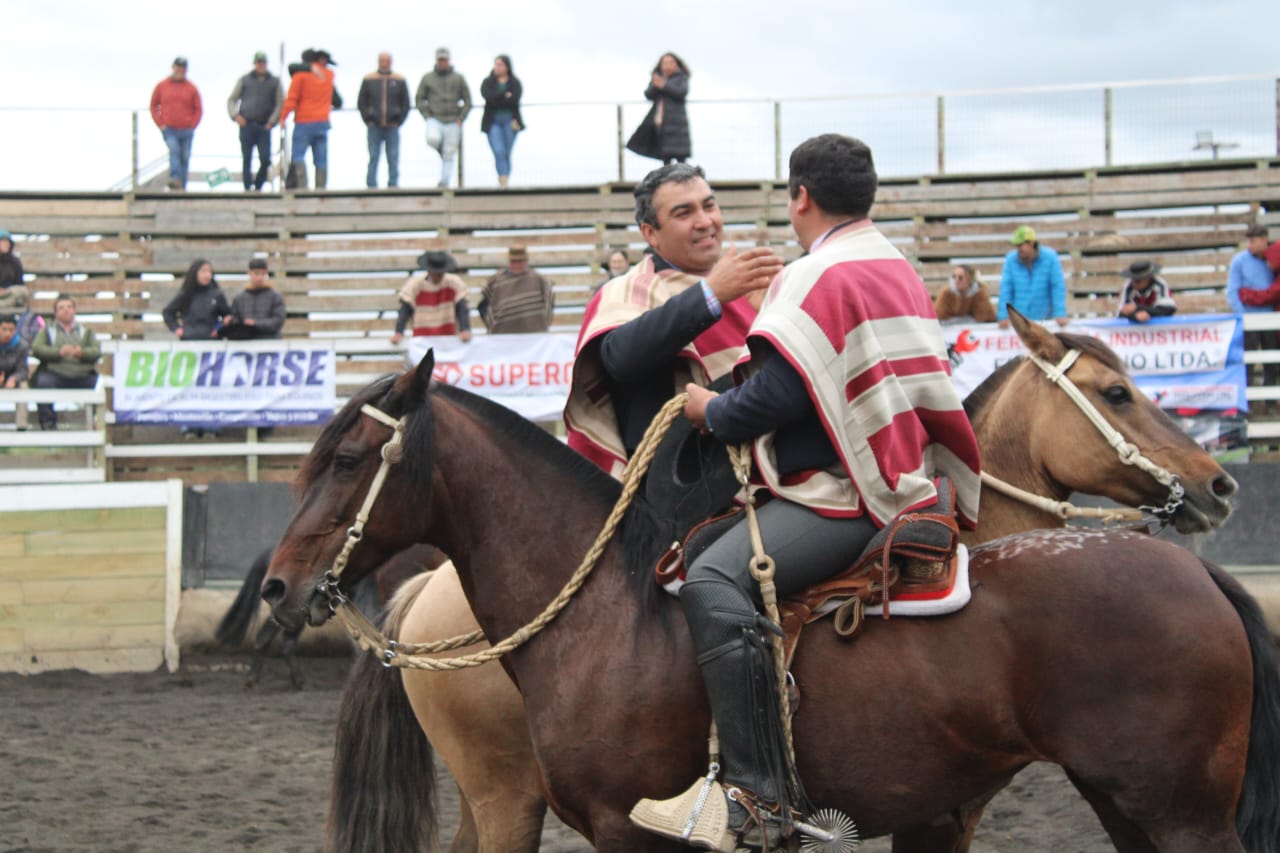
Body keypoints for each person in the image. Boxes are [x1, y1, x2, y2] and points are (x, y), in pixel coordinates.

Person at [636, 134, 982, 850]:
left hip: (848, 494)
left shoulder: (815, 272)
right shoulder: (893, 261)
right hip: (908, 475)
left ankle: (757, 799)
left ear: (800, 197)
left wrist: (711, 411)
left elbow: (779, 396)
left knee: (712, 578)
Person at [564, 163, 782, 476]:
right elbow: (619, 357)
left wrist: (771, 314)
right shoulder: (628, 290)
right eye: (684, 213)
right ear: (650, 233)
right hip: (686, 490)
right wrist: (711, 294)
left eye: (709, 206)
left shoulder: (748, 282)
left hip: (769, 466)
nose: (705, 221)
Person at [30, 294, 101, 431]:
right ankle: (48, 424)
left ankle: (94, 423)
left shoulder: (86, 331)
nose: (66, 310)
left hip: (82, 375)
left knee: (99, 385)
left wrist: (82, 353)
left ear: (74, 310)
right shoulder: (47, 331)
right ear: (56, 313)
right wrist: (58, 352)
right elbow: (37, 349)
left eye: (69, 307)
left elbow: (96, 351)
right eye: (61, 308)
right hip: (55, 374)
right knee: (43, 383)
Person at [282, 48, 340, 190]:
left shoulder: (300, 76)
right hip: (323, 122)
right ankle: (321, 188)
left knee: (298, 155)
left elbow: (292, 99)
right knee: (321, 158)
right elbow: (337, 101)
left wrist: (283, 117)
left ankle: (303, 187)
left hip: (304, 121)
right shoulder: (328, 76)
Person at [227, 51, 284, 192]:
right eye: (259, 62)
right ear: (255, 63)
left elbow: (280, 103)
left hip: (264, 126)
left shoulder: (274, 81)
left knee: (265, 159)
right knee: (247, 158)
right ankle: (247, 188)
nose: (261, 65)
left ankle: (258, 185)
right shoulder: (245, 80)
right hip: (246, 124)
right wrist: (235, 116)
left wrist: (272, 121)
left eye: (263, 62)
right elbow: (232, 99)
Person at [416, 47, 472, 188]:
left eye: (444, 59)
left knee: (449, 153)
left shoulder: (458, 77)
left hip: (453, 120)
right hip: (434, 118)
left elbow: (468, 100)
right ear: (436, 60)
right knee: (432, 139)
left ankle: (444, 182)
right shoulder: (427, 78)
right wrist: (427, 115)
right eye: (440, 60)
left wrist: (461, 117)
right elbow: (419, 98)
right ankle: (445, 151)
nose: (442, 62)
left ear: (449, 60)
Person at [390, 251, 472, 344]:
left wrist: (465, 329)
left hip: (449, 336)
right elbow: (405, 310)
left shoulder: (455, 283)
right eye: (436, 273)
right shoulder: (415, 285)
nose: (438, 276)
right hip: (422, 337)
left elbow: (462, 308)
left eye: (441, 273)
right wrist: (399, 332)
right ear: (429, 271)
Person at [625, 53, 691, 165]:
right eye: (665, 63)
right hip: (661, 122)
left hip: (678, 123)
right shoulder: (658, 77)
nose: (667, 65)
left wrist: (664, 85)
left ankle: (683, 180)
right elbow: (648, 95)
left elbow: (681, 92)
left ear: (677, 65)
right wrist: (656, 85)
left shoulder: (681, 77)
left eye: (671, 62)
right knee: (665, 156)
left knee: (681, 158)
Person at [997, 225, 1069, 328]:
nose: (1018, 249)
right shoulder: (1011, 260)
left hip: (1045, 320)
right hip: (1020, 322)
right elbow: (1006, 289)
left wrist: (1060, 313)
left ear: (1031, 243)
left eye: (1020, 245)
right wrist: (1003, 315)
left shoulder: (1050, 257)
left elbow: (1057, 286)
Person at [357, 52, 411, 189]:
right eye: (382, 60)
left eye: (387, 60)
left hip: (392, 125)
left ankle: (393, 184)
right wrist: (367, 119)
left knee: (393, 156)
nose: (385, 63)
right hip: (373, 125)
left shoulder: (399, 79)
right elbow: (361, 102)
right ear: (378, 62)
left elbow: (405, 103)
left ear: (391, 62)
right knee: (373, 156)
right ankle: (371, 184)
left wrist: (399, 120)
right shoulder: (369, 79)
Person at [150, 57, 203, 190]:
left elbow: (198, 108)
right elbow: (153, 105)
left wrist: (193, 125)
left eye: (183, 67)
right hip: (169, 129)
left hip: (186, 129)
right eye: (178, 66)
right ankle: (174, 179)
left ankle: (182, 187)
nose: (180, 70)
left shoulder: (191, 88)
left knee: (184, 157)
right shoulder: (162, 86)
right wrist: (160, 124)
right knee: (174, 151)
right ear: (173, 67)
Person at [477, 246, 554, 333]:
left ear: (526, 261)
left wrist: (544, 324)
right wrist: (491, 326)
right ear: (509, 262)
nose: (517, 265)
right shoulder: (496, 281)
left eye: (520, 261)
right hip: (502, 337)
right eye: (513, 261)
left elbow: (549, 303)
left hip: (535, 337)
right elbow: (483, 306)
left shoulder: (539, 280)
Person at [479, 54, 523, 188]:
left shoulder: (514, 83)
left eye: (500, 64)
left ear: (507, 66)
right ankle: (503, 178)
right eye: (495, 64)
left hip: (510, 121)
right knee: (498, 150)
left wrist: (497, 98)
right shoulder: (488, 82)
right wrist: (504, 95)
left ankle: (505, 177)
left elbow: (514, 99)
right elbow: (488, 96)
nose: (497, 67)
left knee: (507, 151)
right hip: (493, 121)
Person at [163, 259, 231, 340]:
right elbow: (168, 312)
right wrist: (177, 329)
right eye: (203, 271)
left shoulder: (217, 295)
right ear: (195, 273)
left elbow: (228, 315)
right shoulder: (185, 295)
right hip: (188, 341)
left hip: (212, 341)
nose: (207, 275)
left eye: (210, 272)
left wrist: (219, 329)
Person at [220, 259, 286, 339]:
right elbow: (236, 321)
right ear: (249, 273)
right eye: (256, 273)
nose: (260, 277)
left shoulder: (275, 297)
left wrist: (255, 324)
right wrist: (230, 322)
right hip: (247, 345)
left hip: (270, 343)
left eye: (263, 274)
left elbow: (278, 321)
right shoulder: (239, 299)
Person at [1118, 259, 1176, 323]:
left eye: (1138, 281)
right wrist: (1134, 316)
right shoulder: (1127, 287)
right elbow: (1121, 313)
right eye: (1132, 279)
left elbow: (1168, 310)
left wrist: (1138, 307)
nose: (1134, 284)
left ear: (1147, 278)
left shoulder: (1160, 285)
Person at [0, 314, 31, 430]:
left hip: (13, 380)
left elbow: (23, 370)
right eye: (4, 329)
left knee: (23, 386)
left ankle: (21, 425)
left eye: (11, 330)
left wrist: (14, 379)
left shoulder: (22, 346)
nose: (8, 333)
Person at [0, 228, 29, 313]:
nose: (7, 244)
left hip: (9, 295)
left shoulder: (14, 262)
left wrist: (6, 291)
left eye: (8, 241)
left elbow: (20, 284)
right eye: (4, 241)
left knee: (22, 291)